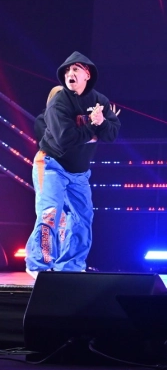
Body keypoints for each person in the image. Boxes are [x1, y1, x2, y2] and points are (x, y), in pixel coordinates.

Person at [25, 52, 121, 278]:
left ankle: (71, 267)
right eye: (67, 70)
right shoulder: (59, 102)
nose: (70, 73)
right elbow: (64, 139)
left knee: (82, 218)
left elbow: (111, 134)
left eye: (75, 69)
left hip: (79, 172)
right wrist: (92, 127)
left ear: (87, 74)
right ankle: (39, 265)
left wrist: (102, 122)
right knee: (50, 213)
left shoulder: (100, 101)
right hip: (52, 165)